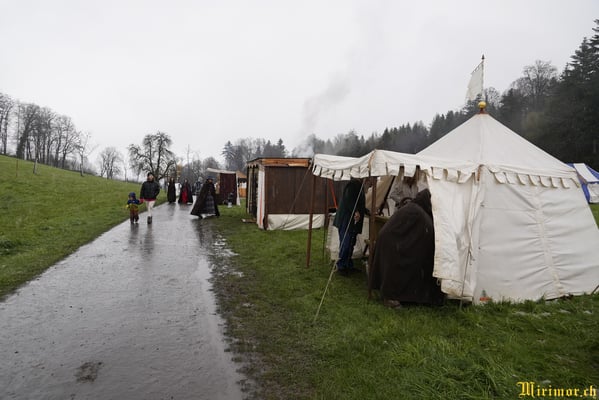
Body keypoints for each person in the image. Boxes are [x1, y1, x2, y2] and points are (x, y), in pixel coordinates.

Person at [370, 189, 444, 308]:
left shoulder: (415, 208)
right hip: (392, 242)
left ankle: (393, 294)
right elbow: (428, 232)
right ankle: (390, 297)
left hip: (389, 240)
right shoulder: (418, 212)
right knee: (396, 268)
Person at [333, 177, 366, 275]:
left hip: (352, 220)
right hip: (346, 220)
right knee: (346, 243)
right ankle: (341, 266)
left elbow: (359, 203)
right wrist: (355, 211)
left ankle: (348, 265)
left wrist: (367, 211)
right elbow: (349, 200)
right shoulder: (352, 184)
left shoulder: (359, 185)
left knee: (351, 243)